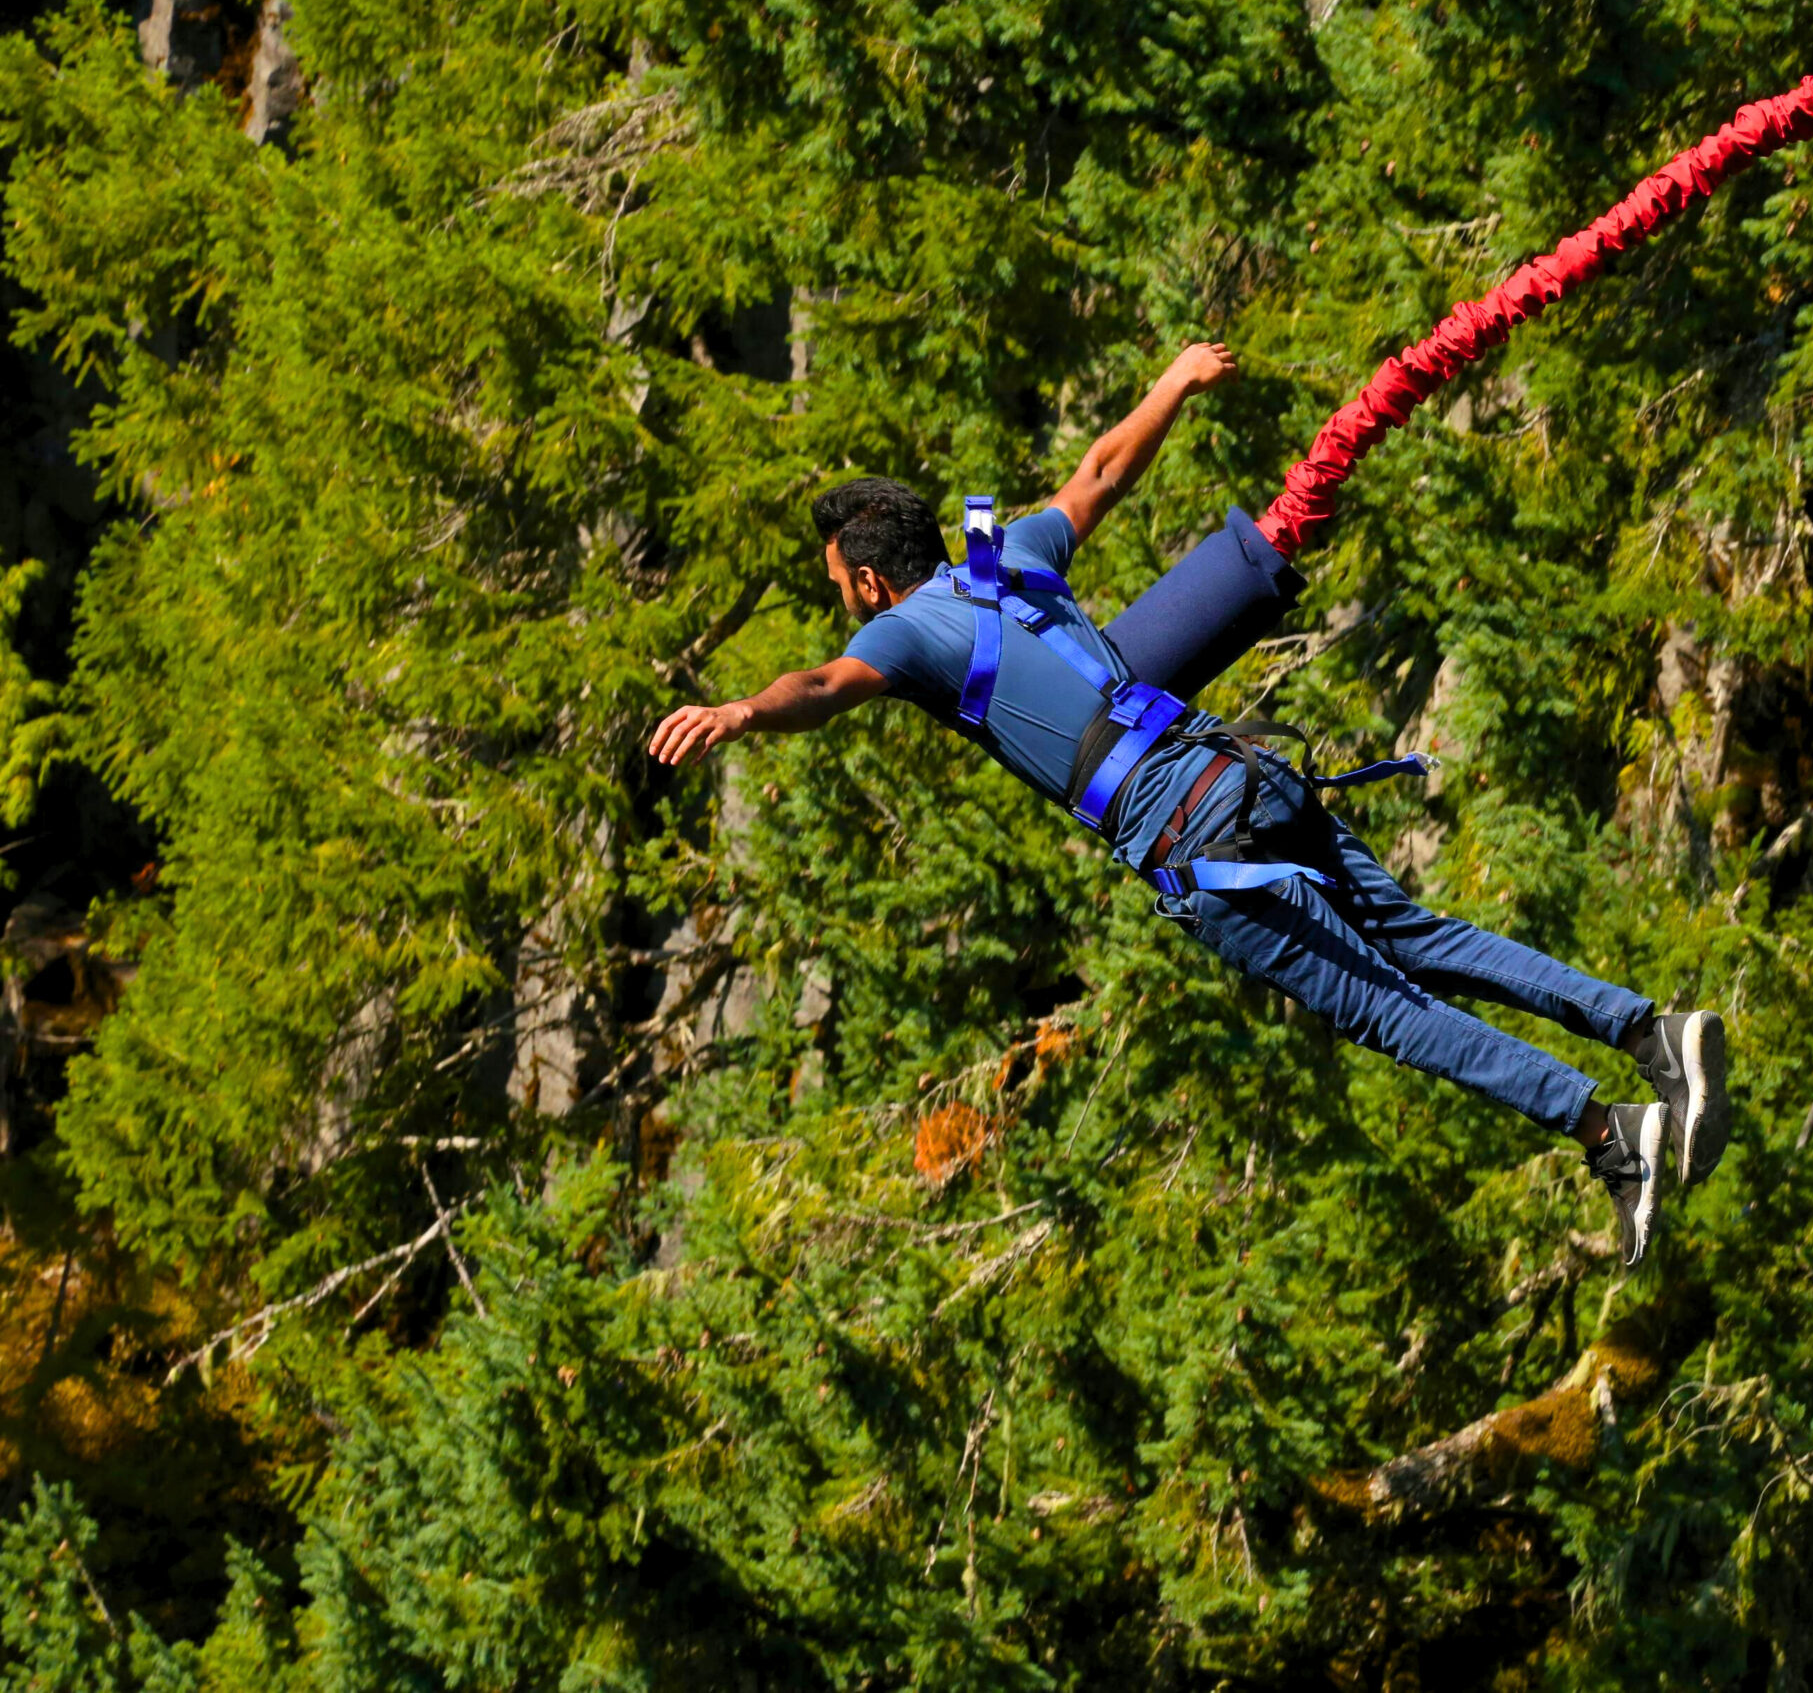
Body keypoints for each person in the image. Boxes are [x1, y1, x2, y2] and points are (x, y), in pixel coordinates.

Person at [646, 342, 1727, 1263]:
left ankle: (1608, 1132)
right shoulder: (1006, 557)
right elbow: (1101, 474)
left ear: (871, 583)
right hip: (1240, 768)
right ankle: (1647, 1031)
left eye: (839, 586)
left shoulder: (901, 632)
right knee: (1420, 939)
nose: (843, 604)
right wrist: (1171, 384)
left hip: (1185, 831)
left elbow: (825, 687)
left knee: (1387, 1010)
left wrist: (744, 712)